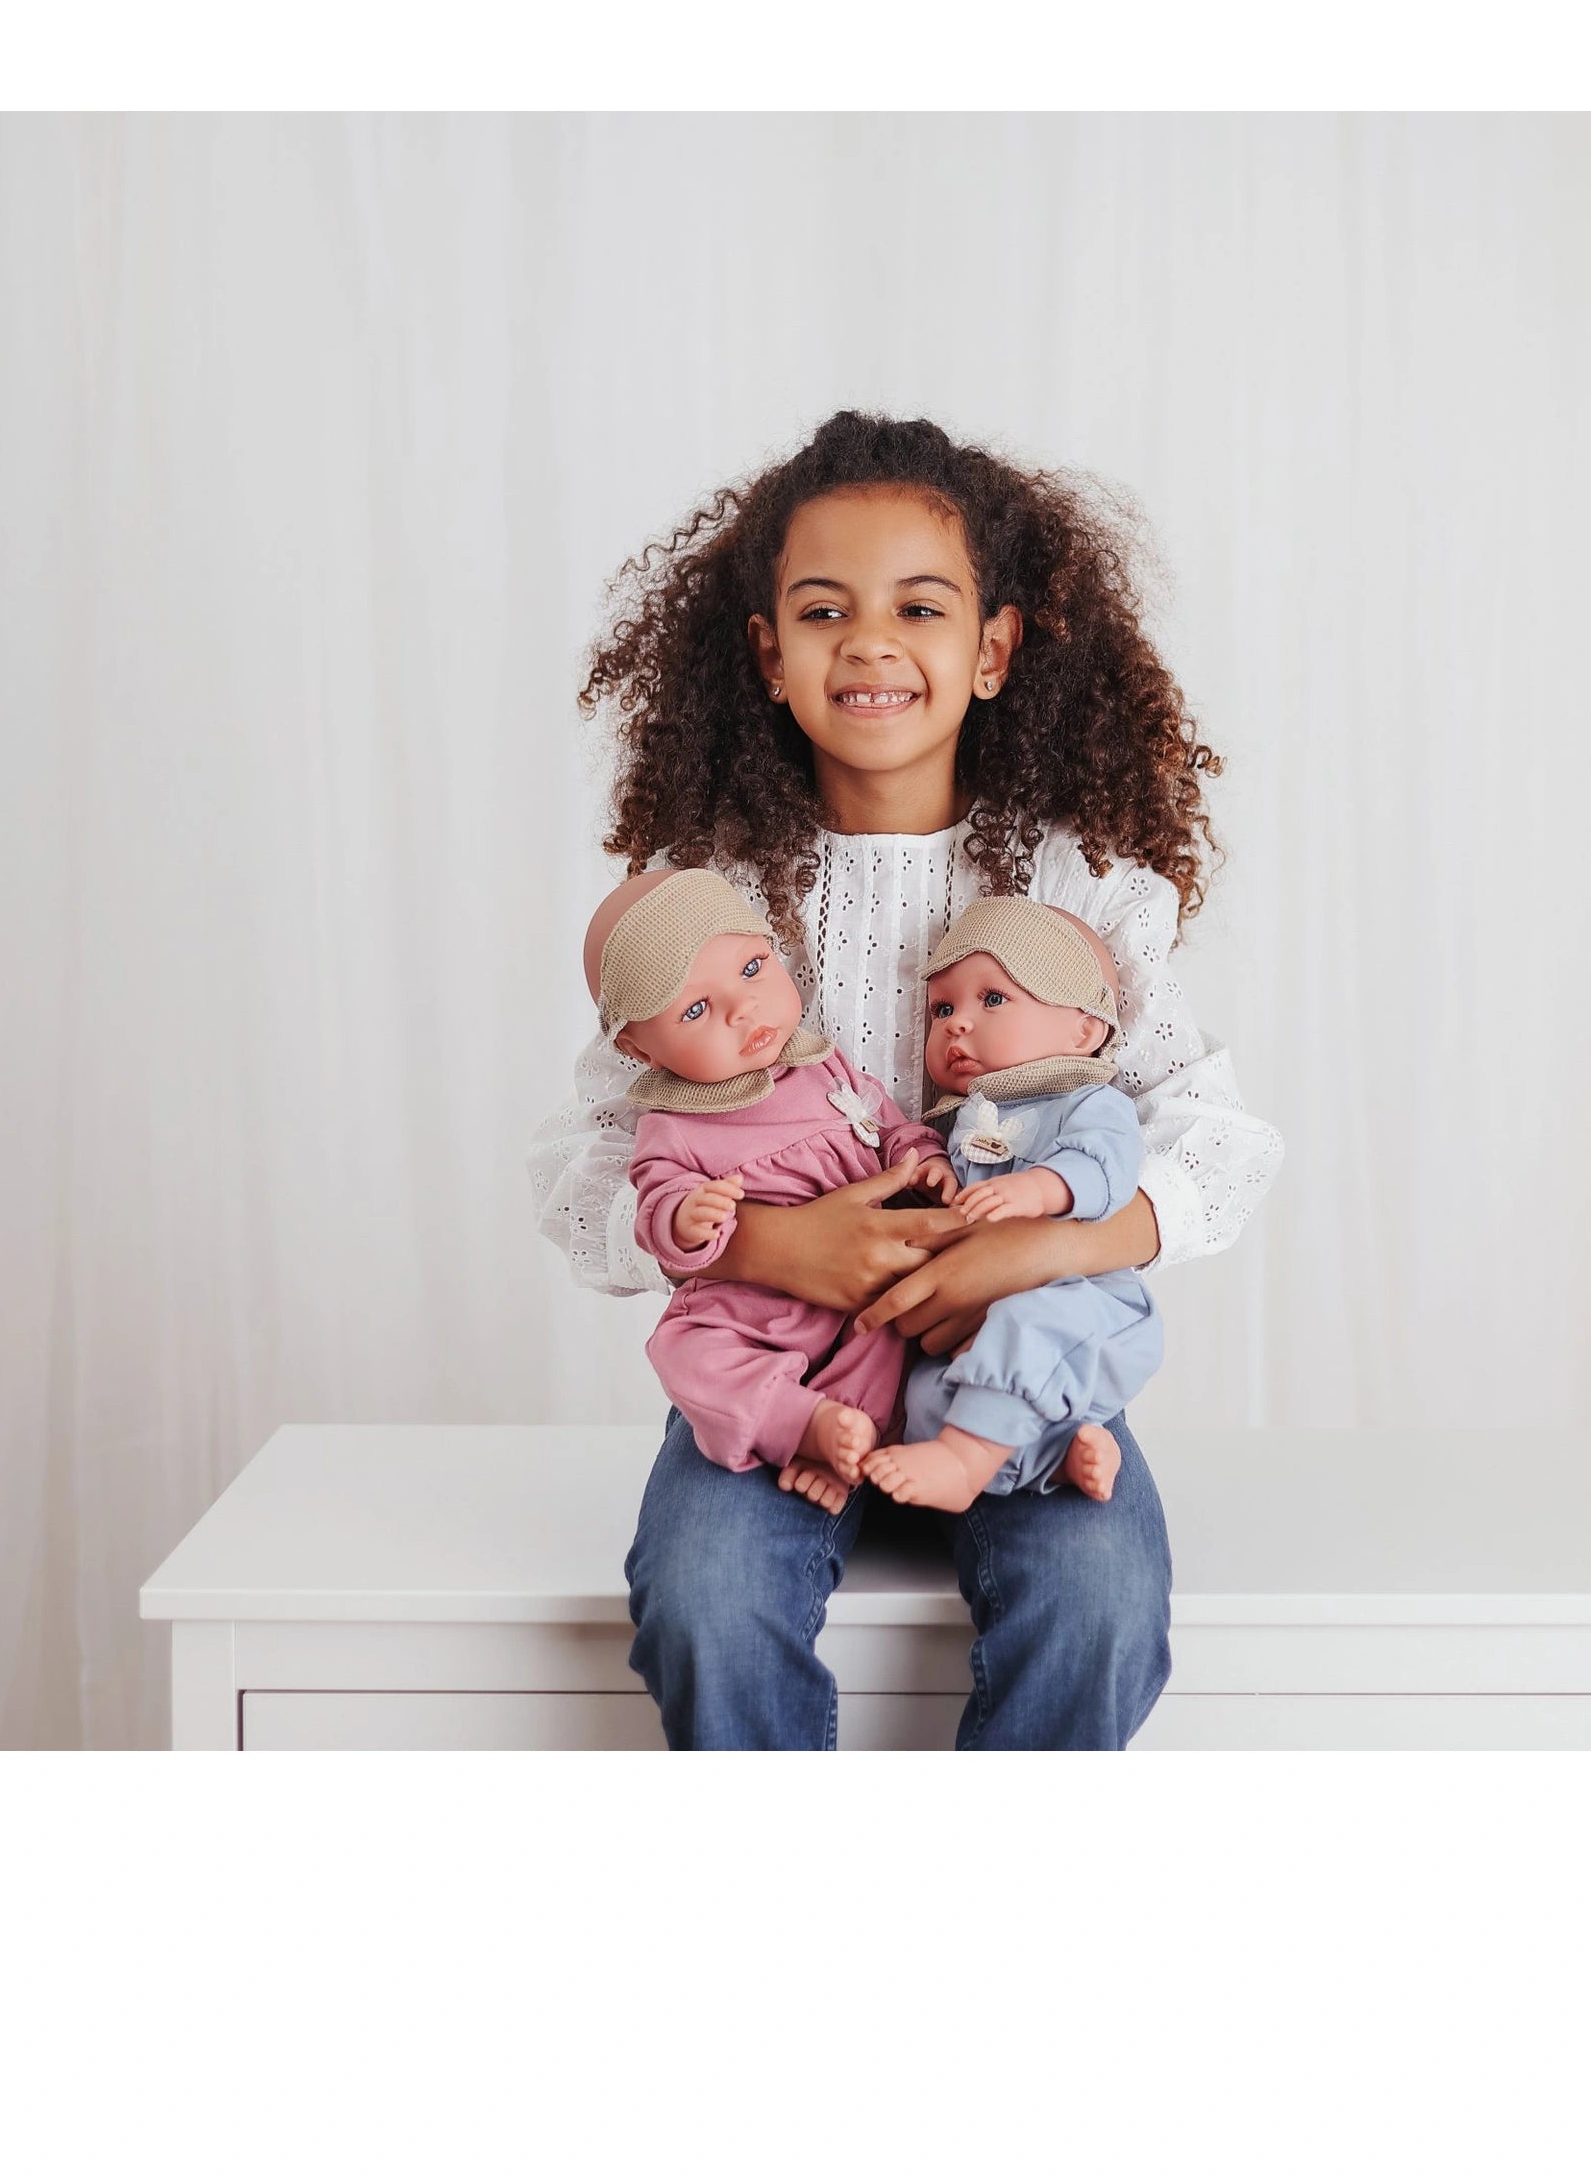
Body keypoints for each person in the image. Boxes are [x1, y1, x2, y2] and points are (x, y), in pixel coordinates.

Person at [529, 409, 1285, 1748]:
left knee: (1100, 1603)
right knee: (704, 1599)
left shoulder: (1077, 887)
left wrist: (1036, 1254)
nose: (870, 644)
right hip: (784, 1381)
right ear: (767, 655)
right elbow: (589, 1163)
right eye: (823, 612)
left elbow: (1216, 1142)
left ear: (991, 650)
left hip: (1004, 1385)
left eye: (919, 608)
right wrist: (774, 1246)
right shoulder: (708, 899)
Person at [587, 865, 956, 1509]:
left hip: (868, 1285)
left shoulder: (822, 1063)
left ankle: (846, 1433)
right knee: (684, 1349)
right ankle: (797, 1422)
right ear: (640, 1050)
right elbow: (657, 1202)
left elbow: (890, 1125)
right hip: (753, 1306)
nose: (742, 1009)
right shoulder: (672, 1124)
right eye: (696, 1009)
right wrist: (686, 1218)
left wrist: (924, 1157)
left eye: (752, 969)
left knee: (888, 1333)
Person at [863, 895, 1161, 1512]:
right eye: (943, 1008)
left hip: (1086, 1309)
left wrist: (1040, 1188)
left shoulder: (1086, 1099)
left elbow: (1108, 1169)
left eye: (993, 998)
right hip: (991, 1328)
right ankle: (1060, 1456)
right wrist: (936, 1178)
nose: (956, 1023)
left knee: (1025, 1329)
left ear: (1083, 1029)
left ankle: (962, 1461)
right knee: (925, 1398)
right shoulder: (961, 1120)